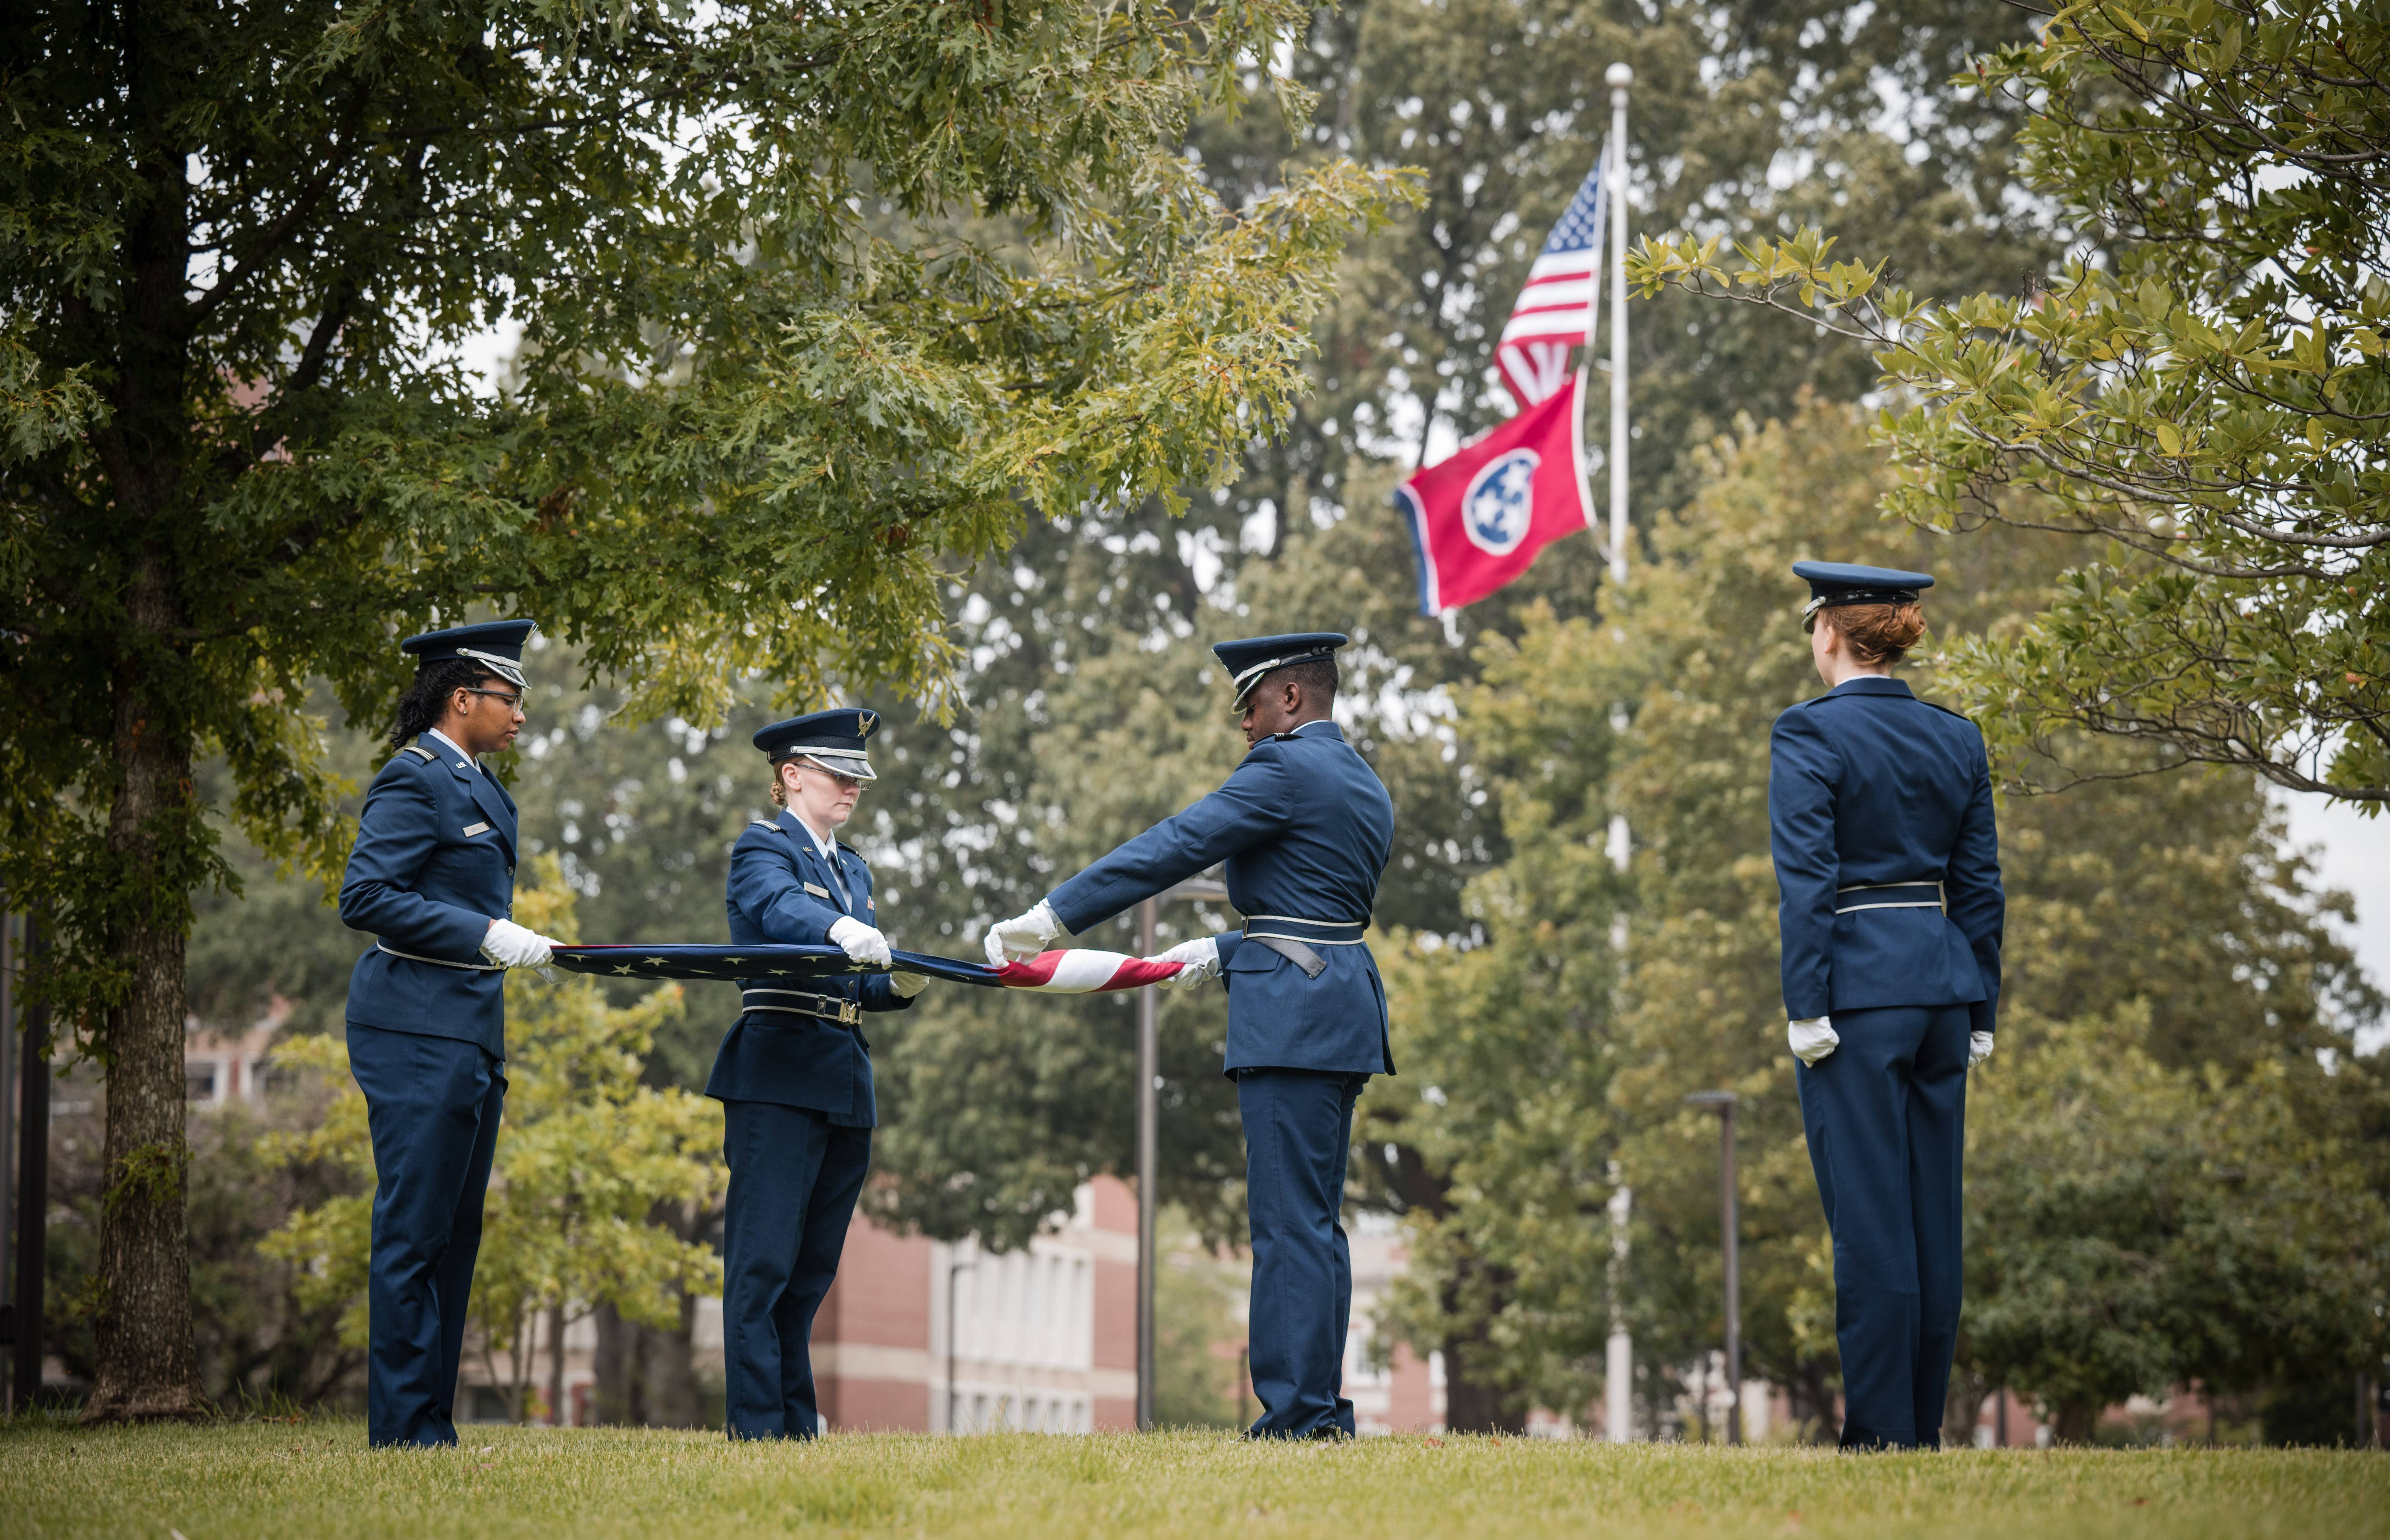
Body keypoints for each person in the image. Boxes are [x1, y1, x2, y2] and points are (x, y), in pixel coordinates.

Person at [984, 633, 1395, 1438]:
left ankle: (1300, 1419)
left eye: (1249, 703)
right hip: (1341, 1005)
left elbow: (1176, 844)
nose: (1242, 723)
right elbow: (1323, 904)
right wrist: (1225, 947)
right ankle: (1323, 1410)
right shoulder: (1362, 780)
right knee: (1317, 1223)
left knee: (1286, 1225)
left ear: (1288, 698)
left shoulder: (1283, 768)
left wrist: (1052, 915)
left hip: (1293, 1018)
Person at [1769, 562, 2004, 1450]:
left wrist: (1806, 1002)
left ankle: (1880, 1434)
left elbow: (1807, 885)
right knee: (1930, 1218)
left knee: (1870, 1223)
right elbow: (1980, 887)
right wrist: (1982, 1009)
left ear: (1829, 630)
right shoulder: (1958, 736)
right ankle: (1922, 1429)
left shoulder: (1807, 735)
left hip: (1859, 997)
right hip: (1944, 988)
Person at [339, 619, 563, 1448]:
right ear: (462, 698)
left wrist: (504, 937)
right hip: (415, 1027)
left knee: (454, 1237)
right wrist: (483, 933)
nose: (521, 716)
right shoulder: (415, 778)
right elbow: (365, 897)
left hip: (469, 1028)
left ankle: (430, 1420)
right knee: (414, 1232)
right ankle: (403, 1430)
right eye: (511, 699)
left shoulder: (479, 786)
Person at [707, 708, 927, 1439]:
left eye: (858, 776)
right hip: (777, 1070)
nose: (852, 787)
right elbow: (776, 910)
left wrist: (896, 986)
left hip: (842, 1074)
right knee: (762, 1264)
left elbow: (857, 983)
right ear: (792, 776)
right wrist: (839, 927)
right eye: (838, 774)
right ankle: (757, 1425)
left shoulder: (854, 867)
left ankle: (796, 1420)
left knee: (808, 1275)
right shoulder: (762, 849)